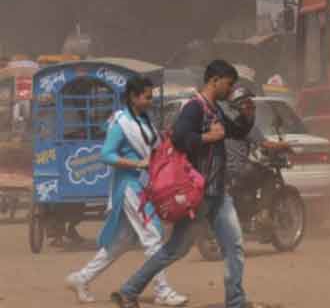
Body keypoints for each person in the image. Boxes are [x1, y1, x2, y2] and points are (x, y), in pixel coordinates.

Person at [111, 60, 255, 308]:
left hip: (218, 194)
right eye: (229, 84)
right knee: (174, 250)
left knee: (234, 247)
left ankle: (236, 301)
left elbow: (236, 131)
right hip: (198, 196)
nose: (230, 90)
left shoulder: (216, 109)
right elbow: (179, 137)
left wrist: (247, 115)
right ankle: (128, 290)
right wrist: (208, 137)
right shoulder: (194, 108)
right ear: (215, 80)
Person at [65, 76, 188, 306]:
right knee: (153, 237)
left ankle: (81, 278)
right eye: (147, 97)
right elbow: (106, 155)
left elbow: (153, 147)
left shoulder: (143, 119)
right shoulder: (121, 123)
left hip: (142, 185)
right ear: (133, 97)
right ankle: (163, 291)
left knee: (119, 243)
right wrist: (137, 164)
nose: (151, 101)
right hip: (130, 187)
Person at [225, 87, 289, 228]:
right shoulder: (246, 126)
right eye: (249, 106)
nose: (252, 109)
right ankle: (263, 214)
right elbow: (265, 144)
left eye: (252, 106)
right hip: (240, 169)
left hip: (226, 171)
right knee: (269, 176)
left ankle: (247, 216)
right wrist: (284, 144)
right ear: (242, 109)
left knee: (252, 177)